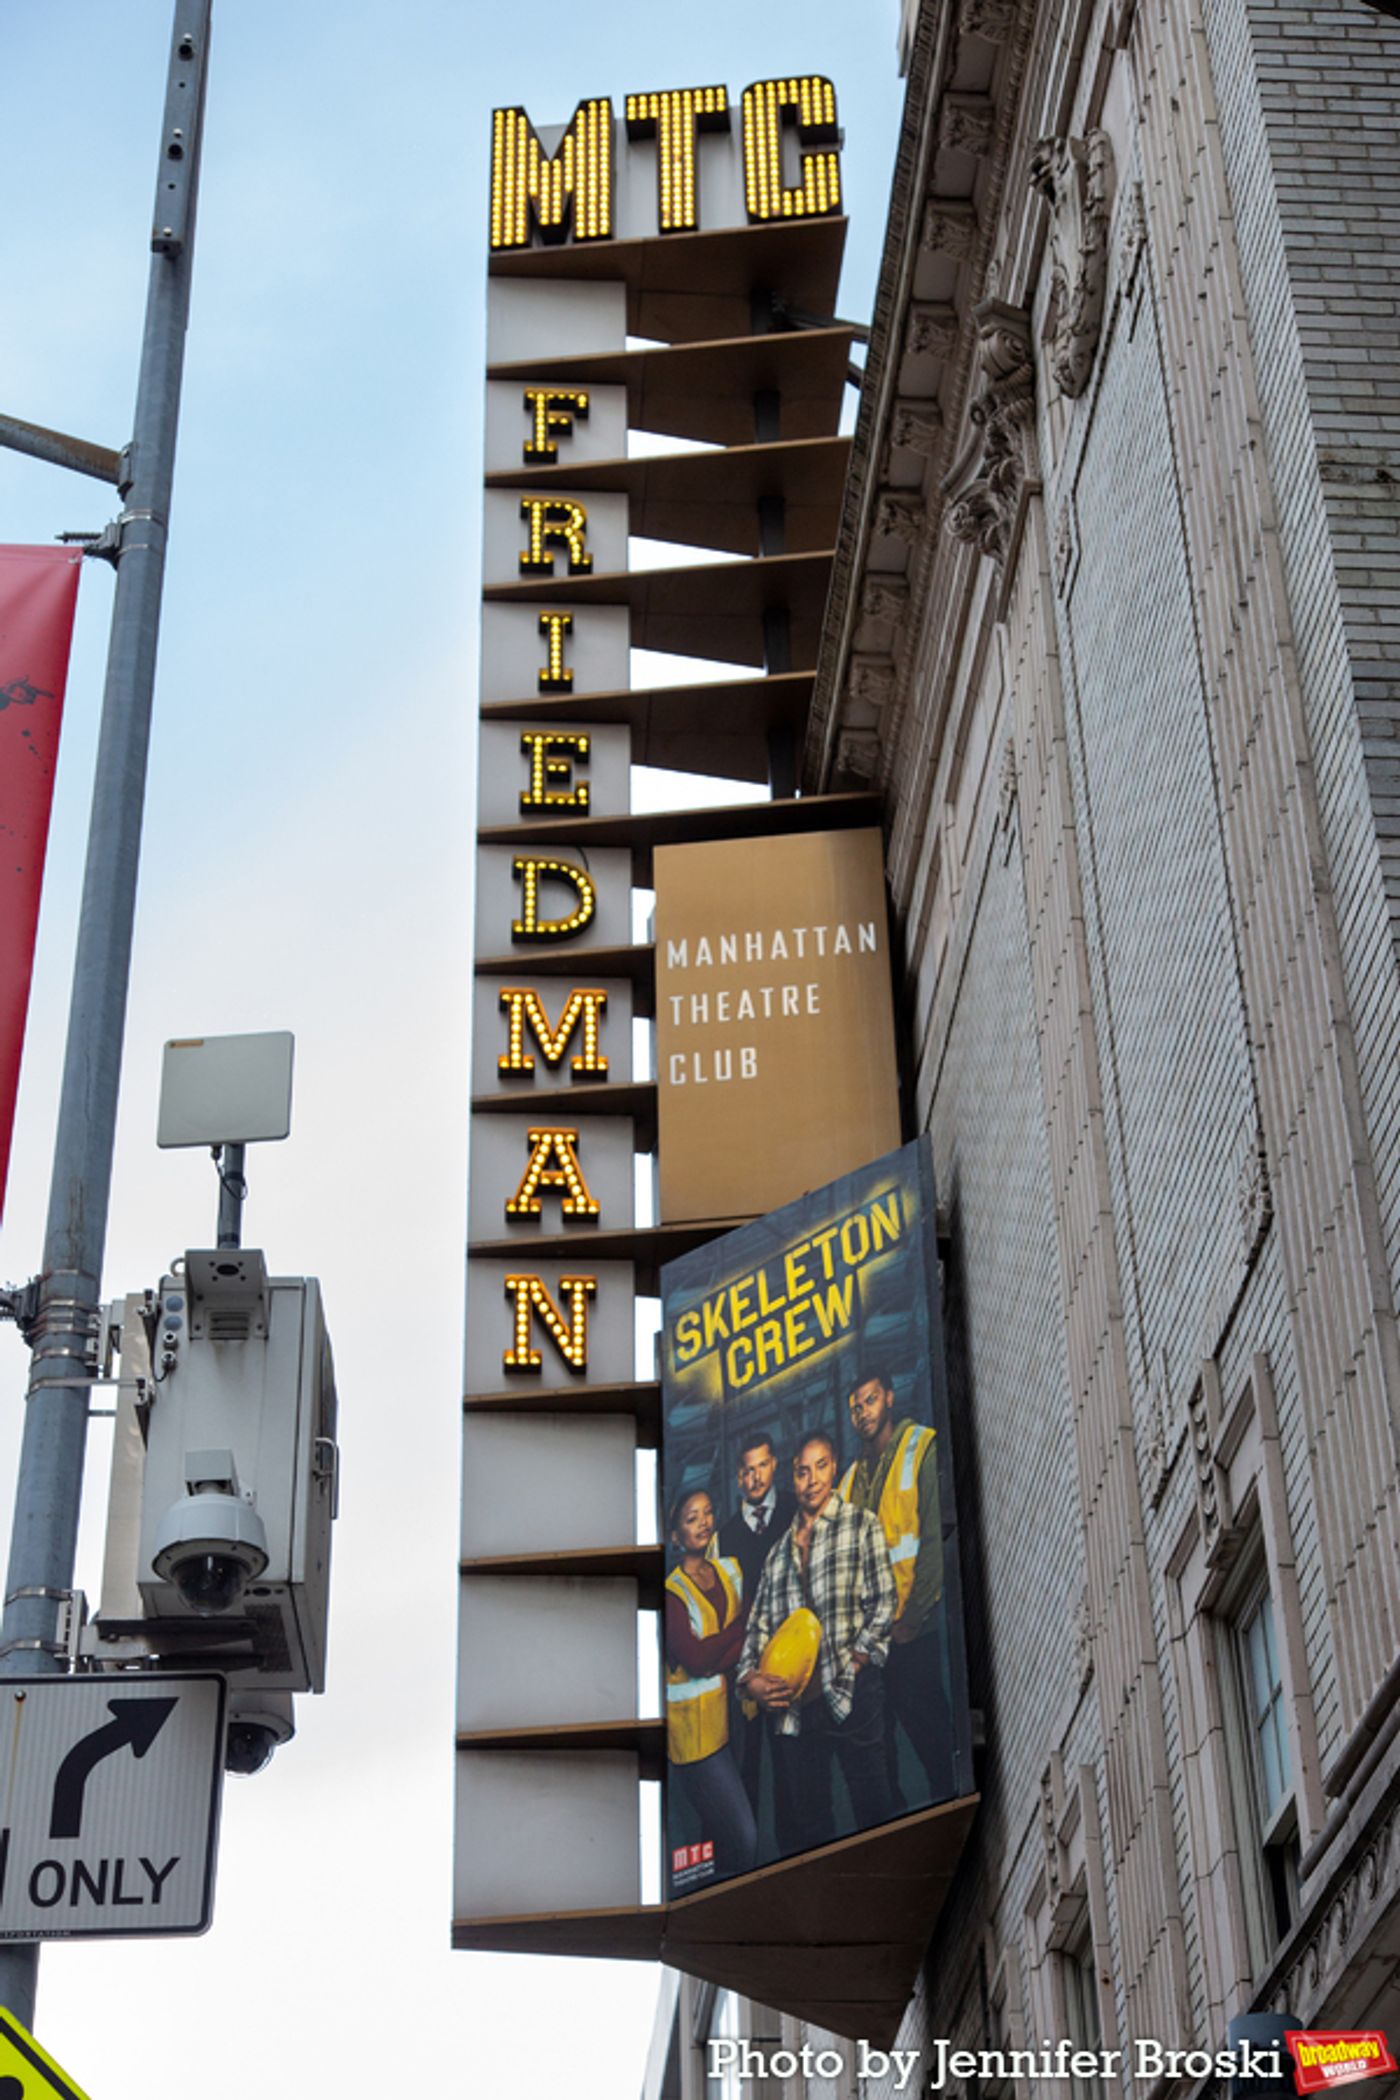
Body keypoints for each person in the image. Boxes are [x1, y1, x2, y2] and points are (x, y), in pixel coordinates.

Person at [737, 1432, 897, 1851]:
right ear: (792, 1477)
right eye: (803, 1471)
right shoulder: (777, 1555)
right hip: (797, 1710)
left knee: (874, 1806)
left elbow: (884, 1601)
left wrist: (858, 1661)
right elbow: (756, 1629)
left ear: (835, 1468)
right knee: (811, 1828)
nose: (811, 1480)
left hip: (852, 1692)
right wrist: (751, 1681)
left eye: (821, 1467)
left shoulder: (861, 1525)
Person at [839, 1366, 955, 1806]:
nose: (862, 1413)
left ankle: (946, 1796)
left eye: (869, 1400)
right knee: (879, 1753)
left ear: (889, 1397)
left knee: (931, 1735)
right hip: (872, 1646)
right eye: (855, 1408)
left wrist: (913, 1617)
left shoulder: (918, 1446)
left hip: (911, 1631)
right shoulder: (850, 1479)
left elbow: (930, 1539)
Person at [663, 1487, 757, 1884]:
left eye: (706, 1513)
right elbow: (697, 1659)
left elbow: (755, 1621)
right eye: (691, 1518)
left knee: (716, 1838)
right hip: (697, 1740)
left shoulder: (728, 1570)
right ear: (675, 1535)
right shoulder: (672, 1592)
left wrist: (729, 1642)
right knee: (744, 1838)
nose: (702, 1523)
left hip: (737, 1717)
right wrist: (739, 1635)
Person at [716, 1432, 798, 1838]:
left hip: (795, 1660)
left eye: (762, 1466)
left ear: (775, 1464)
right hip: (749, 1672)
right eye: (747, 1470)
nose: (755, 1477)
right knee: (748, 1765)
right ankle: (748, 1861)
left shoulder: (794, 1509)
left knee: (795, 1765)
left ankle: (793, 1846)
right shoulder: (725, 1538)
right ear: (737, 1477)